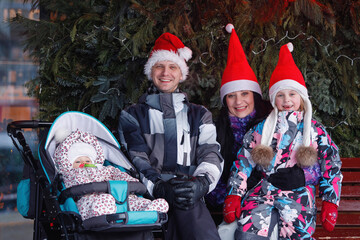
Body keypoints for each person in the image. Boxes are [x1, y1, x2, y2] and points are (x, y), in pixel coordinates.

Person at [223, 42, 342, 239]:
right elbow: (243, 161)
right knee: (248, 232)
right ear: (273, 99)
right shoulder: (262, 129)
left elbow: (331, 164)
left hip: (299, 196)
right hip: (264, 192)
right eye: (280, 95)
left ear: (301, 97)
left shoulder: (314, 130)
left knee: (297, 231)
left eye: (292, 94)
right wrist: (234, 194)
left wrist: (330, 201)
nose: (287, 100)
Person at [118, 32, 224, 240]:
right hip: (147, 195)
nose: (165, 72)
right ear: (151, 71)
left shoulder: (200, 114)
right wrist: (158, 186)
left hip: (188, 194)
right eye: (159, 66)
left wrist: (201, 184)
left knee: (190, 212)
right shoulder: (132, 115)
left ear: (181, 73)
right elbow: (136, 158)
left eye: (172, 66)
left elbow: (211, 153)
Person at [205, 24, 272, 215]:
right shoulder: (216, 128)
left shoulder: (270, 124)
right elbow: (210, 171)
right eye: (231, 95)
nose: (239, 101)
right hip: (224, 205)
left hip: (263, 204)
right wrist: (226, 198)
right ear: (225, 100)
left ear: (254, 96)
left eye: (244, 93)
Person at [53, 129, 169, 221]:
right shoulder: (70, 174)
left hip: (121, 199)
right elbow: (74, 184)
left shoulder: (104, 169)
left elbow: (117, 174)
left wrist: (130, 184)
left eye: (87, 161)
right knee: (102, 201)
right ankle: (103, 211)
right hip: (89, 200)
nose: (83, 164)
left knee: (134, 201)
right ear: (68, 164)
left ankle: (149, 210)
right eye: (78, 162)